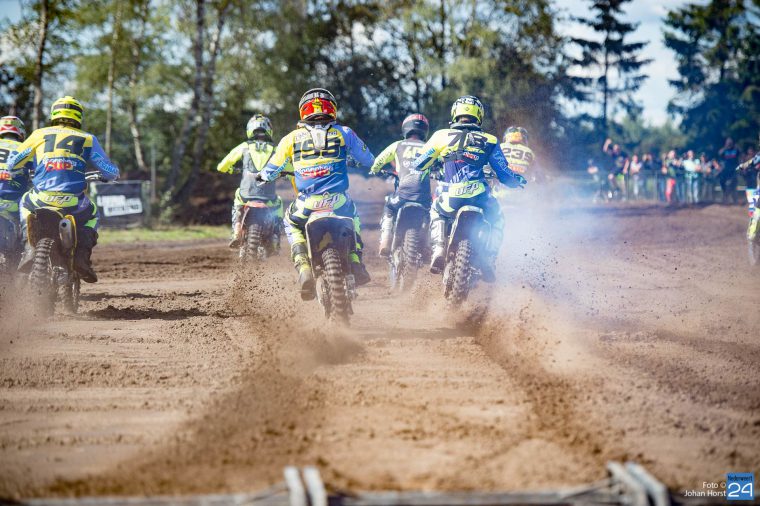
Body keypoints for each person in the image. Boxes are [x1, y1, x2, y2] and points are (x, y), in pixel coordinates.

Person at [257, 88, 375, 299]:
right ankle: (356, 262)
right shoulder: (345, 133)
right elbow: (368, 159)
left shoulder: (291, 138)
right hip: (338, 201)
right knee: (354, 216)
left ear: (303, 110)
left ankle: (303, 267)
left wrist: (262, 177)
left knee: (290, 222)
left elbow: (272, 168)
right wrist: (363, 163)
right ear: (332, 109)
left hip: (307, 203)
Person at [410, 95, 526, 281]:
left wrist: (429, 164)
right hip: (480, 197)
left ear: (455, 113)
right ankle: (490, 257)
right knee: (498, 218)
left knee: (436, 210)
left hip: (451, 195)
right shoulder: (490, 140)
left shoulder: (441, 135)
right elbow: (504, 174)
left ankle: (439, 248)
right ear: (479, 115)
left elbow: (420, 163)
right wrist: (517, 180)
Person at [8, 96, 119, 283]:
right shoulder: (88, 139)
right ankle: (82, 257)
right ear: (78, 115)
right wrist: (109, 175)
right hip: (73, 201)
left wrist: (24, 169)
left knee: (24, 202)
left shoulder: (39, 134)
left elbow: (13, 163)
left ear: (54, 113)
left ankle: (28, 247)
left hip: (40, 198)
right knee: (92, 213)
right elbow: (110, 171)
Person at [217, 114, 291, 250]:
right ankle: (275, 236)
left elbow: (221, 166)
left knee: (238, 195)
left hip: (246, 195)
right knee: (279, 202)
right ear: (269, 130)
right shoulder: (276, 150)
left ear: (250, 130)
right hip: (268, 197)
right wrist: (286, 173)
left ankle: (236, 231)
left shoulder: (244, 147)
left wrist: (232, 170)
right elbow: (291, 168)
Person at [370, 113, 430, 257]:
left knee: (389, 206)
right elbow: (440, 163)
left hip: (402, 194)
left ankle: (385, 240)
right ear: (425, 130)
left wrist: (375, 170)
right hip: (423, 197)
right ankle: (427, 245)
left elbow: (378, 161)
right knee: (432, 214)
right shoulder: (429, 147)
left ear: (405, 129)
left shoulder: (398, 145)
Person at [0, 116, 33, 264]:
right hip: (14, 200)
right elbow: (39, 170)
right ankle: (28, 253)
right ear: (20, 132)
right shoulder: (25, 148)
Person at [718, 137, 740, 203]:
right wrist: (725, 147)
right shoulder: (724, 150)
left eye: (730, 143)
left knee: (733, 184)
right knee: (722, 182)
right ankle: (725, 197)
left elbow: (740, 155)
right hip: (726, 170)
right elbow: (719, 153)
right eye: (728, 143)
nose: (729, 144)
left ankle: (734, 200)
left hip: (734, 170)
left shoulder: (736, 150)